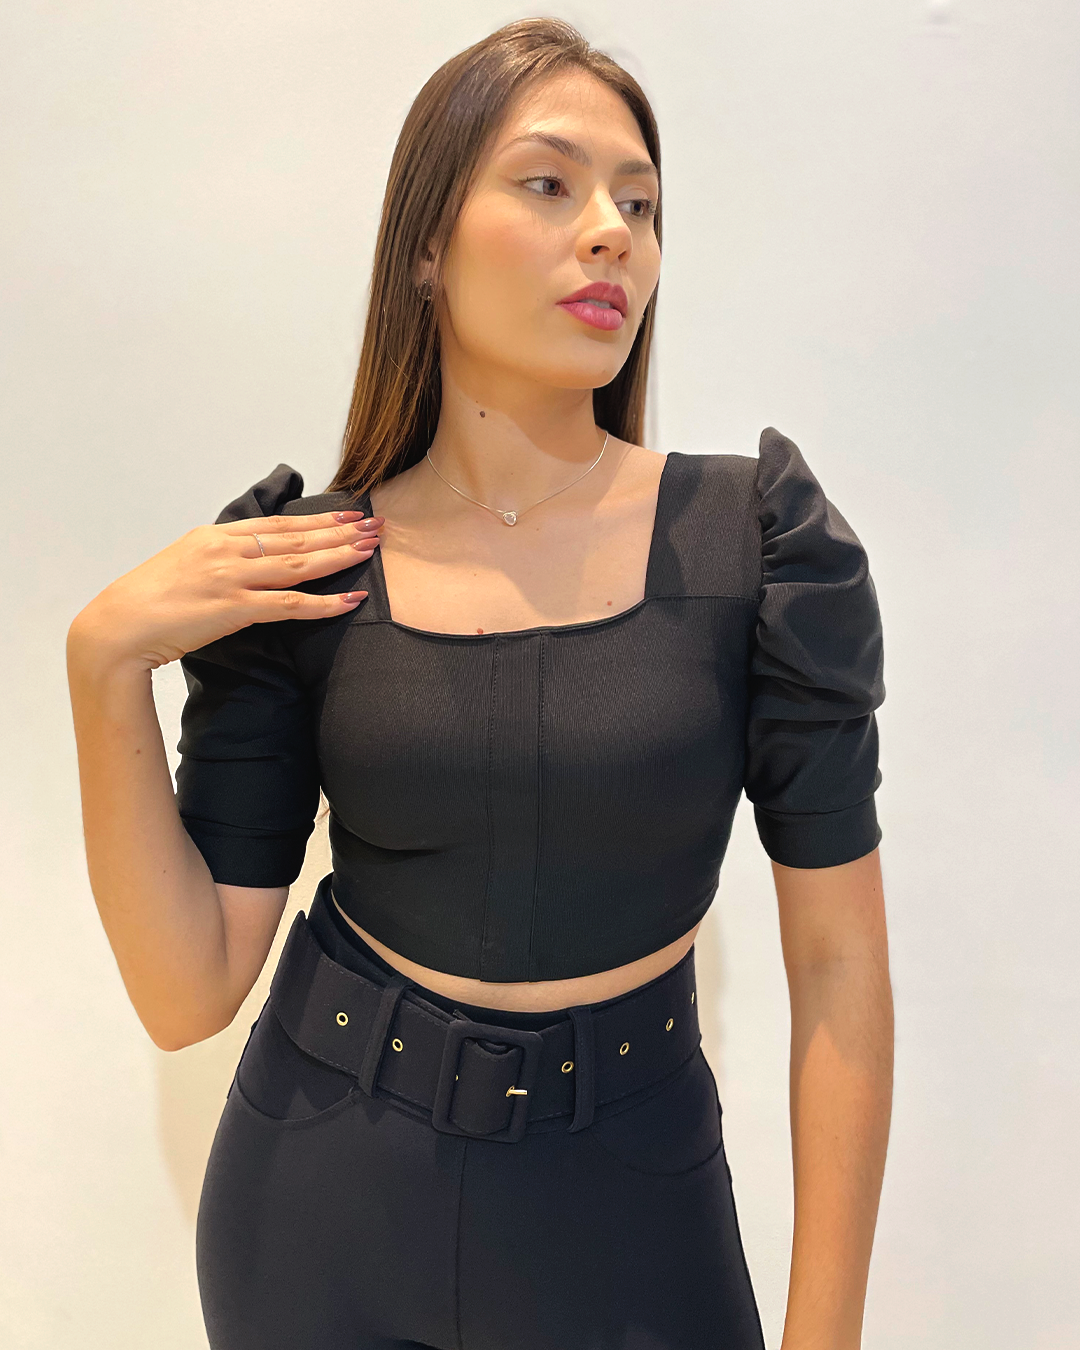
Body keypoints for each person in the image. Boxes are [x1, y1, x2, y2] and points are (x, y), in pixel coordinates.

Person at [66, 17, 893, 1350]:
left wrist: (828, 1334)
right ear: (427, 246)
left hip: (632, 1208)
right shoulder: (308, 566)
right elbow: (187, 990)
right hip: (320, 1206)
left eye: (640, 203)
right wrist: (101, 665)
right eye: (550, 183)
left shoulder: (758, 547)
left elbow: (841, 963)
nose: (612, 232)